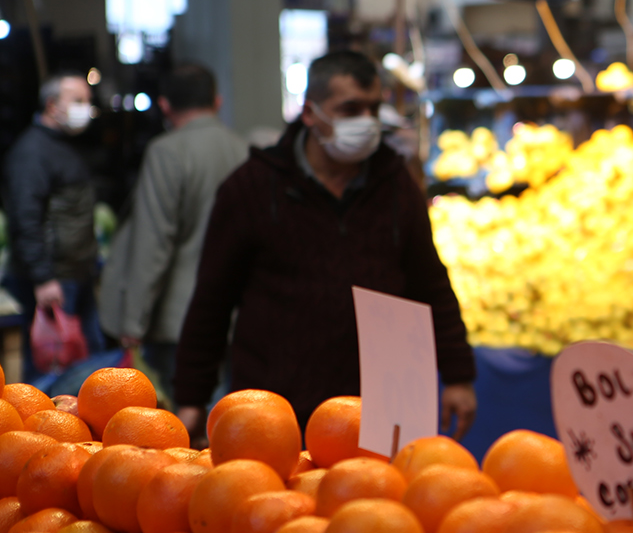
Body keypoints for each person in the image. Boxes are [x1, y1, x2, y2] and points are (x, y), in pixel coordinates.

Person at [173, 50, 477, 437]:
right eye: (350, 109)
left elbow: (430, 284)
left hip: (381, 409)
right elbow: (212, 301)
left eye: (372, 108)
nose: (365, 121)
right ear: (310, 113)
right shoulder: (251, 187)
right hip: (277, 410)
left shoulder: (397, 185)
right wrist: (191, 398)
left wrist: (459, 375)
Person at [98, 64, 248, 420]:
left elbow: (153, 243)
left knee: (181, 427)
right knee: (228, 420)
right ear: (218, 101)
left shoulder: (167, 152)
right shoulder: (242, 150)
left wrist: (132, 322)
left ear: (164, 106)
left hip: (180, 316)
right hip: (234, 311)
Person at [2, 73, 104, 380]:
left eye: (88, 100)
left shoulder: (63, 145)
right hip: (54, 280)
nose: (86, 107)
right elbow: (25, 217)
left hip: (76, 272)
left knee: (89, 367)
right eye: (77, 101)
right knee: (55, 373)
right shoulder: (32, 153)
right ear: (51, 105)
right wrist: (43, 277)